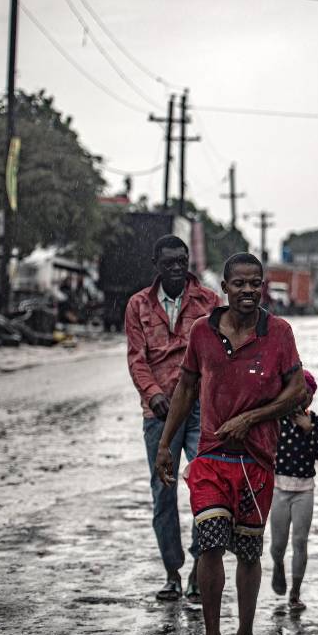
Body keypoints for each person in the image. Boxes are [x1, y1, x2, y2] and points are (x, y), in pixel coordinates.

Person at [154, 252, 305, 635]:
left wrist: (252, 418)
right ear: (224, 288)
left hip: (257, 459)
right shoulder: (203, 332)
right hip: (211, 457)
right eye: (239, 283)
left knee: (250, 552)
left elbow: (297, 391)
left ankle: (244, 634)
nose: (248, 291)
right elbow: (186, 388)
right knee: (211, 541)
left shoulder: (279, 333)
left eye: (255, 283)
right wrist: (165, 445)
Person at [125, 234, 220, 601]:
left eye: (183, 261)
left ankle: (200, 566)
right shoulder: (137, 305)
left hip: (199, 409)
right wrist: (154, 395)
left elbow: (217, 357)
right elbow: (136, 358)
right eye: (170, 262)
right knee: (163, 494)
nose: (178, 267)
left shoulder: (210, 302)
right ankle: (172, 573)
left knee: (205, 488)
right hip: (159, 413)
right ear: (157, 265)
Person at [269, 370, 318, 611]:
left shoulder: (317, 422)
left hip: (305, 490)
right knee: (278, 543)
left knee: (300, 541)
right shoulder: (276, 421)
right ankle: (278, 564)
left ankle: (295, 592)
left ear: (312, 397)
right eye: (297, 391)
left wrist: (309, 429)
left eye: (307, 393)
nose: (302, 396)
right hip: (279, 487)